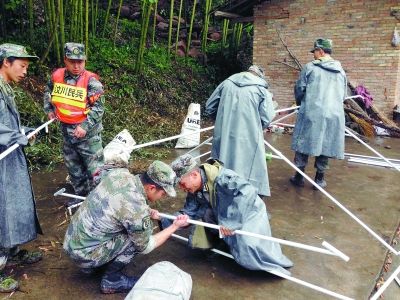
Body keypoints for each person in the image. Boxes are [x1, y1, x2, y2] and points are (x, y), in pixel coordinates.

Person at [63, 130, 189, 294]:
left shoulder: (121, 175)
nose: (162, 197)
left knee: (130, 229)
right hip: (84, 255)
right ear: (151, 187)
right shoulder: (136, 210)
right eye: (162, 193)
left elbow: (118, 204)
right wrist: (174, 227)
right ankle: (111, 280)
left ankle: (95, 264)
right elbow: (146, 246)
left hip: (72, 244)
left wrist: (148, 210)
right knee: (137, 240)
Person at [160, 154, 293, 275]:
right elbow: (189, 212)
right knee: (207, 215)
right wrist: (164, 218)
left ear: (194, 175)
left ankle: (269, 264)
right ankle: (226, 243)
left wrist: (231, 223)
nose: (183, 189)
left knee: (248, 245)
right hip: (224, 212)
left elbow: (248, 193)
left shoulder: (224, 178)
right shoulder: (196, 187)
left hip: (249, 210)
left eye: (182, 184)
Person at [0, 43, 43, 293]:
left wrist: (22, 133)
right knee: (3, 207)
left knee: (13, 205)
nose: (25, 72)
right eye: (22, 66)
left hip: (10, 158)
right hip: (3, 159)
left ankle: (11, 249)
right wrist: (14, 136)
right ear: (6, 61)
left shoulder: (6, 88)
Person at [43, 42, 105, 204]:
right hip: (67, 134)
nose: (77, 66)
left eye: (80, 62)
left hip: (89, 137)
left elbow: (99, 108)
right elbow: (48, 91)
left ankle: (100, 203)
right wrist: (49, 109)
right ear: (65, 60)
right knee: (75, 171)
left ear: (85, 61)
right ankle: (82, 200)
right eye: (72, 62)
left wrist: (85, 126)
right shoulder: (57, 76)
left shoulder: (91, 82)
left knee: (96, 172)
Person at [205, 65, 276, 197]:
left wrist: (222, 121)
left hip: (223, 134)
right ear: (259, 76)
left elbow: (209, 107)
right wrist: (255, 128)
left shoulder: (226, 83)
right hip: (249, 137)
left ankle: (220, 194)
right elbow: (267, 118)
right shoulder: (261, 89)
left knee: (221, 164)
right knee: (249, 168)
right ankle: (245, 199)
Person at [290, 38, 347, 189]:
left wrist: (301, 104)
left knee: (303, 141)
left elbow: (300, 89)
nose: (313, 55)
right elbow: (343, 96)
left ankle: (298, 177)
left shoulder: (310, 67)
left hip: (312, 112)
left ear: (321, 51)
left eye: (314, 52)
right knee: (325, 143)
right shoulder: (340, 71)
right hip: (333, 115)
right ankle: (319, 179)